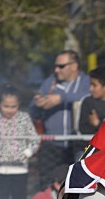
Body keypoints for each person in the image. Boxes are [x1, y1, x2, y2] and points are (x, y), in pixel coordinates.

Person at [30, 50, 90, 185]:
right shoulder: (50, 82)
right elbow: (33, 108)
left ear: (74, 66)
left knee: (75, 186)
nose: (57, 70)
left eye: (61, 66)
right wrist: (39, 103)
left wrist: (62, 98)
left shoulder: (86, 81)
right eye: (55, 66)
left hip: (77, 145)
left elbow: (89, 96)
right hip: (52, 143)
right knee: (46, 185)